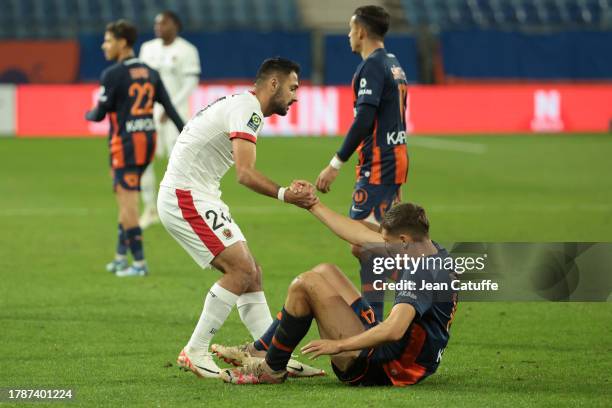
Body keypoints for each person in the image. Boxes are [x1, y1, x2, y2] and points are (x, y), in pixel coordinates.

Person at [157, 57, 323, 378]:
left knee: (252, 272)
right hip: (186, 194)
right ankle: (196, 350)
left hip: (199, 192)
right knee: (241, 269)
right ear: (272, 84)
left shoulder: (242, 105)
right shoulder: (248, 109)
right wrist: (286, 194)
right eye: (292, 88)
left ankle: (271, 356)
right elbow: (245, 174)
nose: (295, 96)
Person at [214, 197, 458, 386]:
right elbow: (358, 236)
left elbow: (394, 330)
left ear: (404, 239)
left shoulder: (419, 273)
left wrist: (338, 346)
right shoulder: (433, 253)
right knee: (325, 271)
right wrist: (314, 205)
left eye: (387, 243)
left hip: (386, 368)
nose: (384, 248)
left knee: (306, 283)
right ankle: (263, 347)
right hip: (411, 360)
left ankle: (271, 368)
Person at [315, 5, 410, 321]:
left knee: (365, 243)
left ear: (362, 31)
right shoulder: (394, 64)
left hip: (378, 166)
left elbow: (364, 119)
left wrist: (335, 163)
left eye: (350, 28)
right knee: (371, 244)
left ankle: (415, 291)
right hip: (394, 161)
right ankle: (378, 319)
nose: (348, 34)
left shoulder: (372, 67)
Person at [85, 19, 184, 277]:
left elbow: (99, 114)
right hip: (146, 142)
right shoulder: (150, 71)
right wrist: (187, 133)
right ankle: (120, 257)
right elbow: (171, 109)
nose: (104, 45)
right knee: (125, 200)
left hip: (125, 146)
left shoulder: (113, 74)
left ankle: (139, 264)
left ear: (122, 42)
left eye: (108, 40)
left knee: (128, 206)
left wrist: (88, 114)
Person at [138, 10, 201, 229]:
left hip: (177, 114)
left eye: (162, 23)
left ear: (174, 24)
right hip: (149, 112)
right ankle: (150, 208)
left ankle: (181, 208)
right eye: (156, 24)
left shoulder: (187, 50)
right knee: (144, 159)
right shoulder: (147, 49)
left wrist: (170, 106)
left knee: (179, 162)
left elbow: (190, 83)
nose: (158, 27)